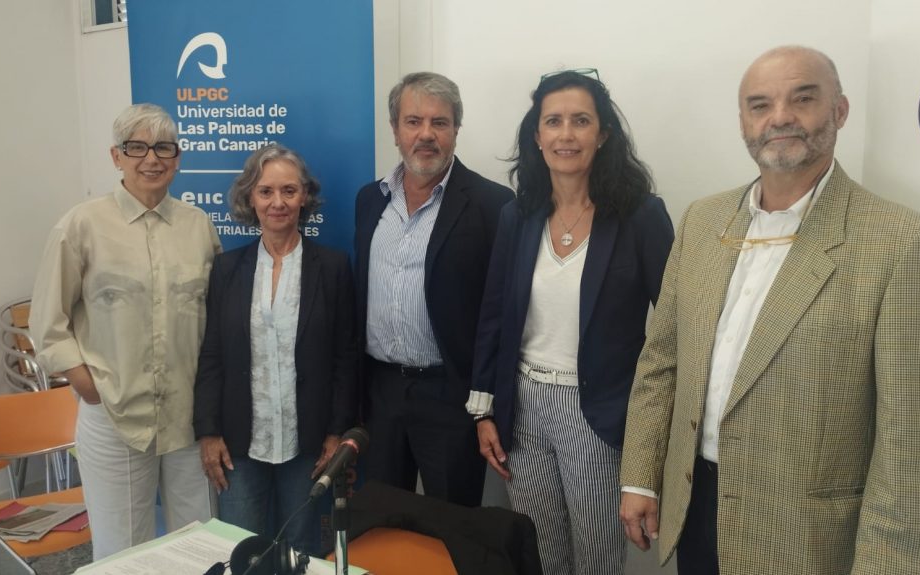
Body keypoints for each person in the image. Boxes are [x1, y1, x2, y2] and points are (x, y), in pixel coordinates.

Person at [619, 46, 920, 575]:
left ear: (839, 111)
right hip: (696, 504)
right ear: (742, 122)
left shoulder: (905, 243)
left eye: (802, 98)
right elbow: (662, 361)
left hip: (808, 537)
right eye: (760, 105)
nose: (779, 117)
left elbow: (912, 442)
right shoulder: (702, 222)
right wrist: (640, 475)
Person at [467, 69, 674, 574]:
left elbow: (672, 332)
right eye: (553, 121)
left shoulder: (641, 217)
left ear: (603, 134)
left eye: (580, 121)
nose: (566, 134)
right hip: (525, 409)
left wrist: (654, 439)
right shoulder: (519, 216)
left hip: (600, 415)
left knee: (599, 557)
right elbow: (494, 316)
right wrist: (483, 410)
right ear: (536, 137)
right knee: (539, 552)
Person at [30, 103, 220, 560]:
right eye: (136, 147)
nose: (150, 159)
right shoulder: (81, 225)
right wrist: (84, 382)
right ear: (116, 156)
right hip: (113, 415)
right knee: (122, 553)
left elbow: (216, 318)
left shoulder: (199, 228)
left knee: (201, 547)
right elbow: (47, 322)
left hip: (188, 419)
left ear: (178, 157)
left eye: (163, 148)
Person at [354, 72, 513, 506]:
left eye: (439, 123)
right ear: (394, 130)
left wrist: (485, 405)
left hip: (451, 398)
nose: (426, 134)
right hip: (381, 394)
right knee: (383, 522)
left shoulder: (493, 205)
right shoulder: (370, 200)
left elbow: (500, 315)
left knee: (452, 528)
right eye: (413, 121)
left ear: (456, 131)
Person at [193, 144, 356, 554]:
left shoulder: (333, 267)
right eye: (266, 192)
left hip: (308, 441)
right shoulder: (227, 269)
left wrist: (336, 432)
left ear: (305, 196)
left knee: (301, 551)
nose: (277, 202)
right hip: (241, 442)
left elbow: (346, 357)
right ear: (251, 198)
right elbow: (211, 354)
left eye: (289, 191)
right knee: (242, 551)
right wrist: (208, 431)